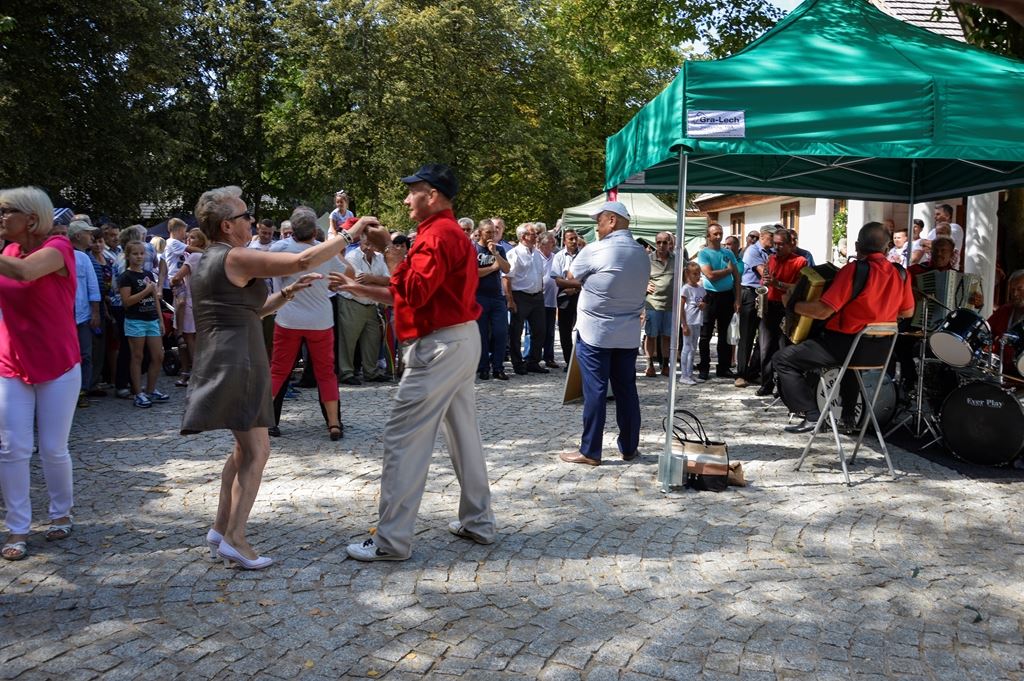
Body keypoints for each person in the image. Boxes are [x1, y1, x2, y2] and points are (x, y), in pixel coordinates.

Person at [181, 185, 377, 570]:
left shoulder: (210, 258)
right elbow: (302, 258)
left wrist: (286, 295)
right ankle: (236, 539)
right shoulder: (234, 256)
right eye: (244, 216)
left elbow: (248, 311)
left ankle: (220, 529)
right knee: (258, 451)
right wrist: (349, 234)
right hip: (240, 361)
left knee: (242, 450)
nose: (251, 221)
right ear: (226, 225)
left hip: (226, 358)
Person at [332, 164, 494, 561]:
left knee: (403, 439)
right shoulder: (446, 232)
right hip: (458, 339)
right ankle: (478, 522)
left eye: (412, 191)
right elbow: (414, 293)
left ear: (432, 195)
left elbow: (414, 292)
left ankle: (391, 541)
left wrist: (390, 250)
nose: (406, 199)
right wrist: (361, 287)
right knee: (464, 436)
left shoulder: (436, 235)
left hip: (439, 346)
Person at [773, 222, 914, 434]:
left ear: (857, 246)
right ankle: (848, 416)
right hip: (879, 351)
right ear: (887, 248)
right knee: (849, 362)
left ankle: (812, 415)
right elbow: (907, 312)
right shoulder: (901, 273)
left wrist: (792, 305)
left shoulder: (854, 270)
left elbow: (823, 311)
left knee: (783, 360)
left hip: (846, 346)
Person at [0, 187, 79, 561]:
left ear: (31, 219)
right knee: (12, 447)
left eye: (6, 211)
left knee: (52, 447)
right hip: (11, 361)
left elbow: (26, 272)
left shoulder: (58, 248)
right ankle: (17, 527)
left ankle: (61, 512)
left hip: (57, 362)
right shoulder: (8, 252)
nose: (0, 218)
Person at [559, 201, 650, 467]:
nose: (596, 228)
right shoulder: (642, 253)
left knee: (595, 391)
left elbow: (571, 275)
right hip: (628, 332)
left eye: (599, 222)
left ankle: (590, 451)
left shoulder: (595, 250)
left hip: (595, 332)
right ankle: (629, 447)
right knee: (626, 391)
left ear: (612, 221)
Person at [268, 207, 350, 439]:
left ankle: (266, 421)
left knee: (279, 371)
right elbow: (348, 273)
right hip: (320, 319)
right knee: (326, 373)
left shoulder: (279, 249)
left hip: (288, 316)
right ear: (315, 231)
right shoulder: (324, 252)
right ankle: (333, 423)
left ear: (292, 230)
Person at [756, 229, 808, 397]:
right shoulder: (771, 259)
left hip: (786, 307)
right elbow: (764, 281)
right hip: (769, 305)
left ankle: (783, 386)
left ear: (790, 244)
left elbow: (799, 289)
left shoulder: (800, 261)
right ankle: (766, 383)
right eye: (775, 244)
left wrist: (777, 284)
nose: (776, 247)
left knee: (784, 347)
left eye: (780, 244)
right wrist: (765, 282)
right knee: (765, 347)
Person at [338, 229, 391, 385]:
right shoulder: (352, 257)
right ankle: (346, 373)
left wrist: (371, 278)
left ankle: (371, 372)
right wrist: (378, 281)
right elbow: (358, 283)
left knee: (372, 339)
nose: (369, 247)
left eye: (372, 244)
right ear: (360, 241)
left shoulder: (379, 257)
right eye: (367, 243)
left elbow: (389, 280)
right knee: (348, 340)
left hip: (371, 304)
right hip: (352, 303)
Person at [118, 241, 167, 409]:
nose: (139, 257)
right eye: (135, 254)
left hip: (152, 319)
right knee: (137, 356)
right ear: (128, 256)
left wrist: (160, 319)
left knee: (158, 356)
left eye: (141, 253)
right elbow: (127, 302)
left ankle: (151, 390)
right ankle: (138, 393)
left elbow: (155, 299)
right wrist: (146, 290)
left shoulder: (148, 274)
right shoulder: (126, 276)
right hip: (135, 320)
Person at [697, 223, 741, 380]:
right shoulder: (704, 253)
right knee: (705, 334)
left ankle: (724, 367)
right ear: (708, 236)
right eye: (715, 233)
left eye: (720, 233)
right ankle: (704, 366)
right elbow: (710, 275)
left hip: (727, 296)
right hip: (710, 296)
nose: (718, 236)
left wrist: (737, 298)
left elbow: (737, 276)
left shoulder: (728, 252)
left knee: (725, 334)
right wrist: (728, 270)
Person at [505, 222, 548, 374]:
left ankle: (533, 362)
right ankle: (517, 363)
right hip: (520, 296)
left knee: (540, 331)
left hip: (537, 297)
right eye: (533, 234)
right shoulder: (514, 253)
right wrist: (510, 300)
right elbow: (506, 278)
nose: (536, 236)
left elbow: (539, 275)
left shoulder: (536, 253)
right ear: (523, 236)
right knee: (516, 332)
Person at [168, 229, 208, 388]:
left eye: (193, 238)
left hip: (188, 300)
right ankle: (186, 373)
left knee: (188, 338)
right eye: (188, 237)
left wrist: (173, 282)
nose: (188, 240)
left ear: (201, 240)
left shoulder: (194, 257)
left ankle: (197, 374)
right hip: (200, 301)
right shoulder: (206, 257)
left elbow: (177, 277)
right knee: (190, 339)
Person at [737, 226, 776, 388]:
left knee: (763, 337)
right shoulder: (753, 250)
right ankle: (741, 374)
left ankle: (753, 372)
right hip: (750, 293)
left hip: (765, 294)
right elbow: (764, 273)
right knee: (747, 335)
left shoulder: (772, 252)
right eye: (772, 237)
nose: (774, 240)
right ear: (763, 236)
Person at [68, 221, 102, 408]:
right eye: (88, 233)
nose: (91, 237)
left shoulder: (84, 258)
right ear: (78, 235)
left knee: (85, 354)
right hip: (64, 316)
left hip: (82, 314)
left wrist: (95, 312)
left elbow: (92, 287)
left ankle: (82, 391)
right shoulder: (60, 255)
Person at [474, 219, 511, 380]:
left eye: (494, 232)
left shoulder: (499, 249)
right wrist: (492, 268)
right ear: (480, 232)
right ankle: (483, 367)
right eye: (488, 232)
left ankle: (498, 367)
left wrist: (495, 253)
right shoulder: (473, 249)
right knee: (482, 334)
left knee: (501, 332)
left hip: (497, 297)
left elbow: (506, 269)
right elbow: (474, 273)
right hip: (479, 296)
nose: (491, 235)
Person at [643, 231, 675, 377]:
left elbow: (688, 272)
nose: (661, 245)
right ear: (655, 243)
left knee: (667, 336)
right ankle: (649, 365)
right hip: (653, 303)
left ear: (669, 243)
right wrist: (644, 285)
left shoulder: (677, 259)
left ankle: (665, 365)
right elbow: (637, 276)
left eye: (665, 242)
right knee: (651, 335)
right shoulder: (648, 259)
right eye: (659, 242)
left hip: (670, 304)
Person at [550, 228, 583, 368]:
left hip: (582, 295)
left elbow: (589, 278)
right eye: (571, 239)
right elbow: (558, 280)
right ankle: (569, 362)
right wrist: (575, 285)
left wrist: (575, 288)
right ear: (564, 241)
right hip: (564, 295)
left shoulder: (584, 255)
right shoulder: (559, 256)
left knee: (583, 328)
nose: (574, 241)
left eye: (576, 238)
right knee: (565, 330)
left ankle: (582, 360)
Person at [988, 269, 1024, 376]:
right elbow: (986, 329)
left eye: (1019, 289)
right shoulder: (1005, 310)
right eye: (1012, 290)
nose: (1015, 294)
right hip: (1000, 370)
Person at [679, 262, 706, 385]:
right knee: (687, 347)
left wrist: (703, 305)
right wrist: (684, 324)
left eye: (699, 274)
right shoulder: (686, 289)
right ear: (687, 274)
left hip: (697, 321)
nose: (697, 276)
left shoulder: (701, 289)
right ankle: (684, 375)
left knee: (693, 348)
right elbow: (681, 307)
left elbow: (703, 302)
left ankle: (690, 373)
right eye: (694, 274)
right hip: (689, 321)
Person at [537, 232, 560, 369]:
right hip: (537, 299)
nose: (554, 244)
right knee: (535, 330)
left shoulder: (555, 257)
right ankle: (532, 356)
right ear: (543, 244)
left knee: (550, 331)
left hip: (551, 299)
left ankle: (549, 357)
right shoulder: (536, 256)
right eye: (552, 241)